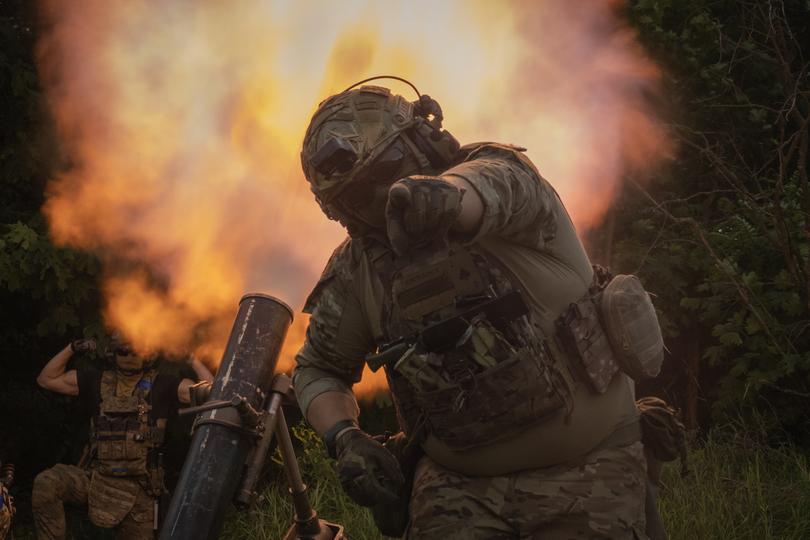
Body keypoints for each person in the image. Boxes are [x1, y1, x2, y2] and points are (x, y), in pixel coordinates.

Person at [294, 79, 653, 539]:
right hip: (459, 490)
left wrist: (443, 198)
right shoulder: (355, 271)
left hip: (591, 466)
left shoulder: (502, 180)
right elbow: (318, 368)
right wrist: (344, 437)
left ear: (423, 142)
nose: (380, 201)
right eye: (355, 199)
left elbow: (495, 184)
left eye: (388, 169)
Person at [32, 336, 213, 540]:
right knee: (47, 483)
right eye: (123, 352)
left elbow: (214, 394)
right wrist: (72, 348)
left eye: (136, 352)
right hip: (96, 479)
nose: (129, 356)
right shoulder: (96, 380)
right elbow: (46, 380)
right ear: (113, 354)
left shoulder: (164, 384)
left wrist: (190, 358)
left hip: (141, 490)